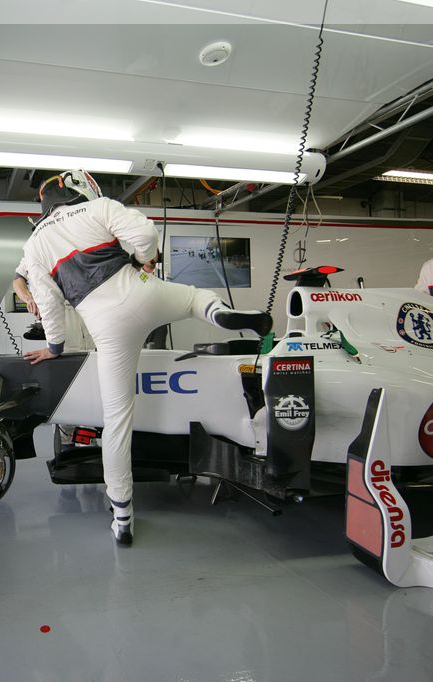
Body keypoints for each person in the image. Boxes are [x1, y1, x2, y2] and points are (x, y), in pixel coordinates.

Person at [21, 170, 272, 547]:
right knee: (193, 299)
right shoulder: (98, 207)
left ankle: (122, 517)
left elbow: (48, 304)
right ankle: (220, 313)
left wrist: (54, 347)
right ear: (77, 188)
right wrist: (144, 260)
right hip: (141, 290)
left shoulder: (35, 244)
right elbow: (146, 234)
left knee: (117, 420)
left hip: (104, 323)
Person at [14, 258, 94, 350]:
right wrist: (28, 299)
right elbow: (18, 279)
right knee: (64, 351)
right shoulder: (34, 254)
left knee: (93, 350)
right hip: (60, 311)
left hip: (86, 307)